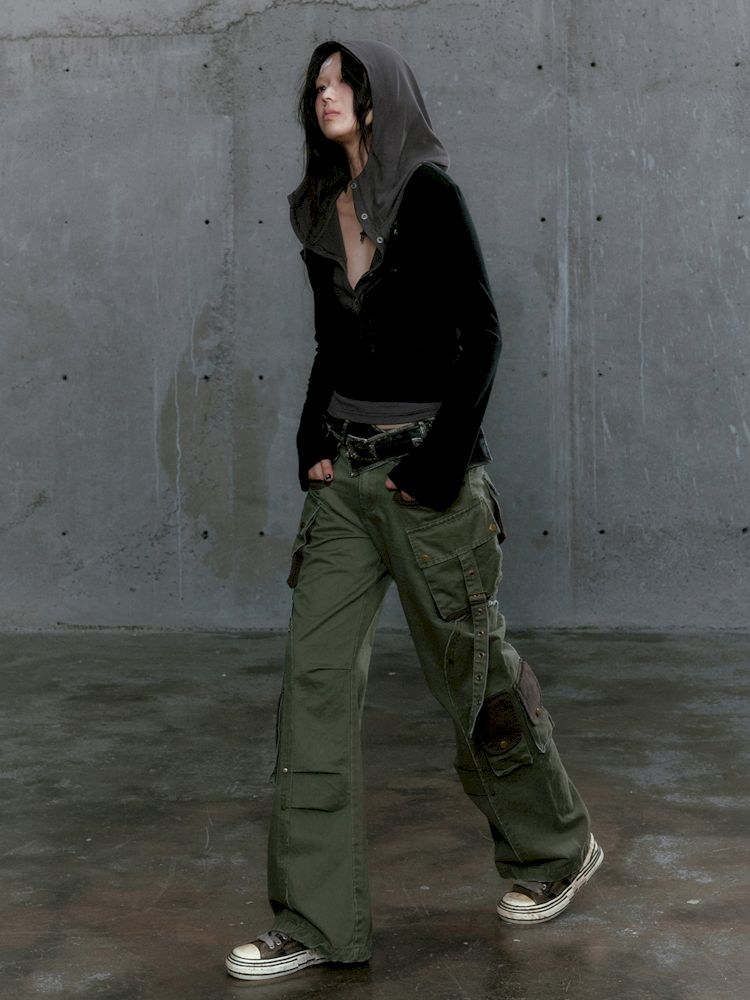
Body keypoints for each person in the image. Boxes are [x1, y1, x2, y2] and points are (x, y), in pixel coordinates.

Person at [225, 39, 602, 982]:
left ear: (380, 95)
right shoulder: (323, 208)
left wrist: (440, 463)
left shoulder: (429, 195)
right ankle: (313, 921)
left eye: (343, 81)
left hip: (426, 484)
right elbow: (331, 345)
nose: (327, 95)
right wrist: (310, 440)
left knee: (473, 679)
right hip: (346, 487)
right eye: (317, 85)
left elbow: (483, 332)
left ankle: (557, 849)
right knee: (311, 689)